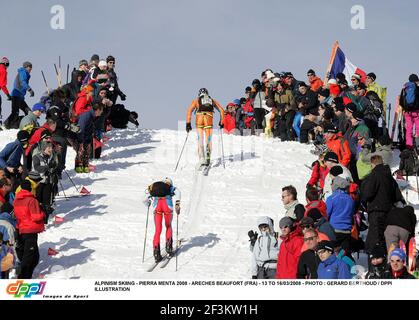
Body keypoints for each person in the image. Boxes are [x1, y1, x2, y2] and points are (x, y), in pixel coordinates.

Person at [361, 155, 405, 254]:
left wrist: (364, 199)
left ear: (372, 164)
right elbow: (397, 195)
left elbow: (368, 193)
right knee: (385, 237)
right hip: (388, 211)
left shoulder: (374, 175)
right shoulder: (389, 177)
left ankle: (374, 261)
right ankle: (385, 258)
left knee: (375, 237)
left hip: (376, 210)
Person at [14, 179, 45, 279]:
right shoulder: (32, 200)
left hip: (21, 229)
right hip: (30, 230)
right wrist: (43, 212)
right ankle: (23, 278)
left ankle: (27, 275)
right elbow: (35, 217)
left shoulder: (16, 200)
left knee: (34, 256)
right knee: (29, 257)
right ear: (30, 188)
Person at [144, 177, 181, 262]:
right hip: (167, 206)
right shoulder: (170, 187)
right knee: (168, 226)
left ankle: (156, 252)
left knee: (157, 230)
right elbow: (178, 192)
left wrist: (148, 204)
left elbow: (144, 198)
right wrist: (177, 203)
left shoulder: (155, 189)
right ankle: (169, 247)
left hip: (157, 207)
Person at [186, 88, 225, 167]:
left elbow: (189, 110)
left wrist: (188, 123)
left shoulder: (196, 100)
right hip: (209, 119)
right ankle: (208, 155)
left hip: (199, 119)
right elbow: (221, 110)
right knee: (209, 139)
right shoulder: (212, 100)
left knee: (200, 138)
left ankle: (201, 158)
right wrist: (222, 122)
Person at [326, 175, 355, 253]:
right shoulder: (350, 199)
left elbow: (327, 214)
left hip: (334, 230)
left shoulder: (331, 198)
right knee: (345, 254)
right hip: (347, 230)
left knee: (333, 253)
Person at [32, 142, 59, 222]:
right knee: (38, 201)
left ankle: (45, 221)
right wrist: (48, 167)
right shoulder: (36, 157)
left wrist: (55, 168)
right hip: (39, 183)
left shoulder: (51, 157)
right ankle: (37, 219)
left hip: (48, 182)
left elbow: (53, 167)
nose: (51, 149)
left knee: (46, 202)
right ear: (44, 149)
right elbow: (37, 168)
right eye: (49, 148)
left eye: (51, 147)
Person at [75, 104, 104, 173]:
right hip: (81, 137)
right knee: (81, 152)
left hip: (87, 137)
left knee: (87, 152)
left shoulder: (92, 116)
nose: (101, 112)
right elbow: (80, 128)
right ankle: (79, 168)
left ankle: (85, 166)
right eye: (101, 111)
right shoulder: (86, 115)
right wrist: (81, 141)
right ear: (97, 110)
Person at [5, 62, 34, 129]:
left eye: (31, 67)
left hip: (20, 97)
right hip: (16, 95)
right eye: (29, 67)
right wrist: (29, 89)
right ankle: (6, 125)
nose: (30, 69)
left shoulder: (26, 74)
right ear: (25, 67)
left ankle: (28, 124)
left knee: (28, 112)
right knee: (15, 112)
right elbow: (22, 82)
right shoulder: (23, 72)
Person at [399, 74, 419, 149]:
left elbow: (401, 101)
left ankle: (409, 145)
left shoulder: (405, 88)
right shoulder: (417, 87)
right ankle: (418, 144)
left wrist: (405, 108)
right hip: (416, 112)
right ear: (416, 80)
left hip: (407, 112)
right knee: (418, 127)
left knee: (409, 129)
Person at [0, 57, 11, 122]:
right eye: (8, 65)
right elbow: (2, 85)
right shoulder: (3, 70)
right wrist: (8, 95)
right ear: (5, 63)